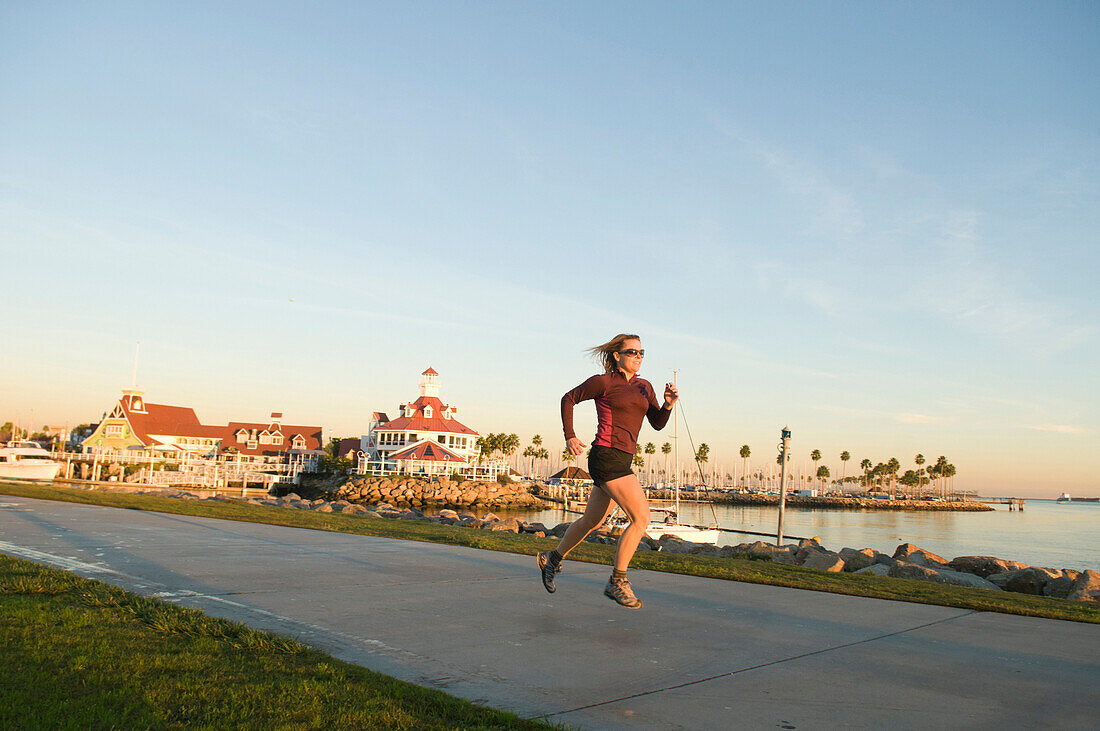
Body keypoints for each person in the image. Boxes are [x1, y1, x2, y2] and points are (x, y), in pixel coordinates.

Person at [537, 333, 678, 609]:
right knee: (641, 518)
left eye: (641, 353)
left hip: (623, 459)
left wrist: (668, 405)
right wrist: (570, 435)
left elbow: (658, 423)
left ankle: (552, 558)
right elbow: (568, 399)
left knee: (592, 521)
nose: (638, 357)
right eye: (632, 352)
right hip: (605, 456)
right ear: (617, 355)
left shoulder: (644, 387)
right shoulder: (603, 382)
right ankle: (618, 581)